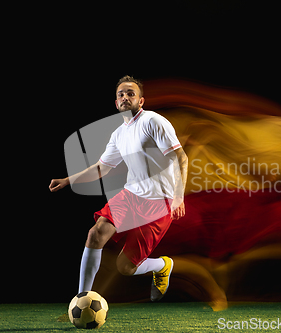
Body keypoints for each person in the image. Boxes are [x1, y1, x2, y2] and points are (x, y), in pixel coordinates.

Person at [50, 76, 188, 301]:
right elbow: (101, 168)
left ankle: (162, 266)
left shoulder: (153, 121)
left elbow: (181, 158)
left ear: (141, 101)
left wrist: (178, 196)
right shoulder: (119, 133)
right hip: (131, 195)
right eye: (121, 94)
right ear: (116, 103)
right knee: (95, 233)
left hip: (158, 203)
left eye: (130, 94)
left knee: (125, 267)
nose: (125, 97)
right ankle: (81, 299)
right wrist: (68, 180)